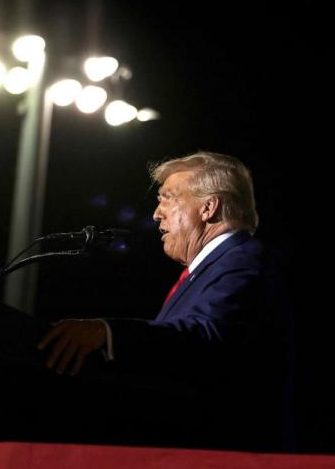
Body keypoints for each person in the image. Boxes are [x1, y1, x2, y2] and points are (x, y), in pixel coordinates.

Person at [37, 151, 294, 451]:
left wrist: (106, 333)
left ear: (208, 207)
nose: (156, 214)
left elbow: (205, 338)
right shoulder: (206, 271)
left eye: (168, 198)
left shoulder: (242, 259)